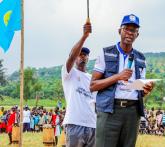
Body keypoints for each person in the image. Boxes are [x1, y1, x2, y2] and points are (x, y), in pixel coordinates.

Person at [90, 14, 154, 147]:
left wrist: (146, 89)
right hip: (109, 110)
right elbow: (92, 85)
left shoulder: (141, 58)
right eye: (127, 29)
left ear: (137, 35)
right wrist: (118, 76)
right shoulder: (106, 53)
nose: (130, 33)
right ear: (120, 31)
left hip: (132, 112)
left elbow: (139, 89)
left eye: (134, 30)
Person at [61, 20, 96, 147]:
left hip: (93, 125)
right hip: (75, 124)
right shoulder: (68, 73)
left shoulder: (92, 78)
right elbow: (71, 56)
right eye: (80, 54)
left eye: (85, 55)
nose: (82, 57)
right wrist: (84, 36)